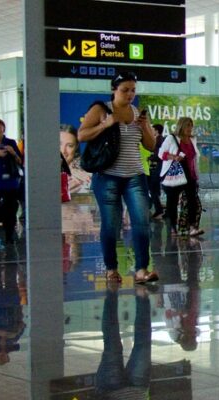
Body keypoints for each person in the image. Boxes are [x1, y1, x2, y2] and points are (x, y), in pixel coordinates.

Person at [77, 71, 159, 284]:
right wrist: (105, 124)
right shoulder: (101, 109)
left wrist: (144, 126)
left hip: (135, 176)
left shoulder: (136, 113)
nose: (130, 94)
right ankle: (111, 268)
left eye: (133, 90)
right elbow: (82, 135)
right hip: (107, 177)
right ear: (114, 89)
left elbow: (150, 146)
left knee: (141, 222)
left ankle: (141, 270)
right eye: (125, 90)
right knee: (111, 224)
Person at [158, 117, 204, 237]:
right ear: (181, 126)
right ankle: (173, 228)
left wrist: (196, 174)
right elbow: (160, 154)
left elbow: (194, 157)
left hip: (190, 175)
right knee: (172, 202)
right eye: (187, 125)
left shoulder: (192, 139)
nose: (190, 128)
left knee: (192, 201)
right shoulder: (171, 138)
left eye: (191, 125)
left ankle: (192, 226)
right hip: (175, 174)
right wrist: (174, 157)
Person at [0, 119, 23, 249]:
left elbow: (19, 160)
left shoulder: (11, 142)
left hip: (10, 182)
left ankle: (9, 235)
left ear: (4, 127)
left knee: (10, 208)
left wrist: (13, 152)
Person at [60, 124, 92, 194]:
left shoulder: (84, 172)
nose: (63, 151)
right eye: (58, 143)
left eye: (70, 146)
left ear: (76, 147)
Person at [148, 124, 166, 220]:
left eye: (152, 129)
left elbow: (158, 155)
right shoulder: (159, 139)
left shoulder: (159, 140)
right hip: (159, 167)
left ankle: (158, 209)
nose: (151, 131)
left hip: (159, 167)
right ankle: (158, 206)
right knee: (154, 188)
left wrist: (149, 157)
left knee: (152, 188)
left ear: (157, 131)